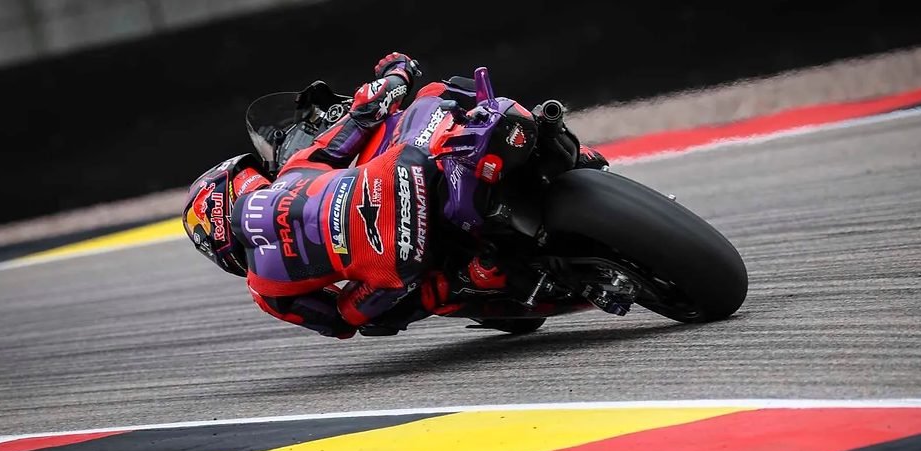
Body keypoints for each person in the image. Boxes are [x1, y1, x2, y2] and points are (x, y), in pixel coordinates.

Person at [182, 53, 609, 339]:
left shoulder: (268, 290)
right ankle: (548, 144)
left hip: (399, 260)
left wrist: (382, 289)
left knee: (382, 315)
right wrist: (399, 70)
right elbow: (364, 114)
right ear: (244, 182)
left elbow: (342, 322)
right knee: (439, 93)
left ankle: (474, 273)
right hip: (413, 168)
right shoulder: (296, 170)